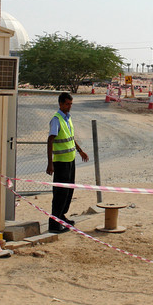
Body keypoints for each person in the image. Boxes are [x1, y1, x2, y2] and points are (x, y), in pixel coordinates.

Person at [46, 92, 88, 233]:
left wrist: (80, 150)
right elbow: (50, 140)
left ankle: (62, 215)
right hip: (60, 162)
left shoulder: (67, 118)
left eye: (70, 104)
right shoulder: (56, 119)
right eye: (67, 104)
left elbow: (70, 137)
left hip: (70, 160)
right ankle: (54, 223)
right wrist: (50, 163)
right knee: (60, 193)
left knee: (69, 190)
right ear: (60, 104)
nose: (69, 106)